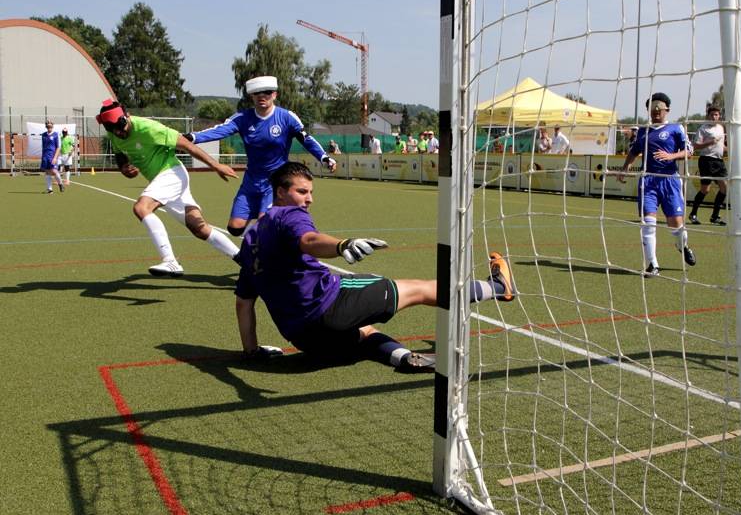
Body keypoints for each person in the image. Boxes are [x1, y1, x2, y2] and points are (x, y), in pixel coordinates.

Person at [234, 161, 517, 368]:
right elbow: (309, 239)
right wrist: (342, 245)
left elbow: (243, 303)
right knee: (416, 289)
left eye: (310, 192)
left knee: (364, 334)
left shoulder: (249, 241)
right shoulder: (289, 215)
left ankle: (404, 358)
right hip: (329, 306)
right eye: (302, 191)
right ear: (280, 193)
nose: (309, 199)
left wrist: (251, 351)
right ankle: (497, 286)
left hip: (303, 337)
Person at [97, 99, 241, 277]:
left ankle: (170, 261)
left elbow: (186, 144)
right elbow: (120, 154)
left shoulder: (149, 128)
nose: (119, 132)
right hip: (160, 180)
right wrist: (124, 167)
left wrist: (215, 165)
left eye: (121, 126)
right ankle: (245, 260)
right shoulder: (115, 133)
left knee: (142, 207)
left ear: (126, 116)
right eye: (113, 129)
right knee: (199, 227)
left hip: (172, 173)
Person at [186, 76, 337, 237]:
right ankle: (272, 226)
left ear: (275, 95)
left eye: (267, 92)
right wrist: (192, 137)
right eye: (257, 93)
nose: (262, 96)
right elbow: (219, 131)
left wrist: (324, 157)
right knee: (234, 228)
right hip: (251, 181)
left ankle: (277, 237)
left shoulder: (286, 117)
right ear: (252, 96)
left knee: (264, 224)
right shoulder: (242, 118)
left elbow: (306, 140)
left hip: (275, 181)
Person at [615, 92, 696, 277]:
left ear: (667, 110)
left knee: (676, 226)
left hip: (670, 181)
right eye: (652, 109)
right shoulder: (643, 131)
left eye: (659, 108)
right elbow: (634, 152)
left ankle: (682, 245)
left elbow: (689, 151)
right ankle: (652, 264)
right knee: (648, 223)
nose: (656, 111)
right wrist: (625, 168)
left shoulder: (676, 128)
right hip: (648, 181)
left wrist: (671, 156)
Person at [688, 105, 728, 226]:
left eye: (716, 115)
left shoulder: (721, 128)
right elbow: (696, 146)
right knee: (705, 190)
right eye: (712, 115)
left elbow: (722, 145)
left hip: (719, 161)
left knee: (724, 188)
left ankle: (715, 216)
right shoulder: (703, 129)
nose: (714, 117)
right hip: (706, 160)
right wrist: (710, 142)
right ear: (708, 116)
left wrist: (730, 149)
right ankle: (693, 214)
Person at [40, 121, 64, 194]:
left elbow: (58, 147)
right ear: (46, 127)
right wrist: (43, 156)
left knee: (54, 171)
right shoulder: (43, 135)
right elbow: (43, 146)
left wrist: (55, 157)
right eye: (47, 126)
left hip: (52, 156)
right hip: (45, 156)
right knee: (47, 172)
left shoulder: (56, 135)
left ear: (52, 126)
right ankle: (50, 189)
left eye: (50, 126)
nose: (49, 127)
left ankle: (60, 184)